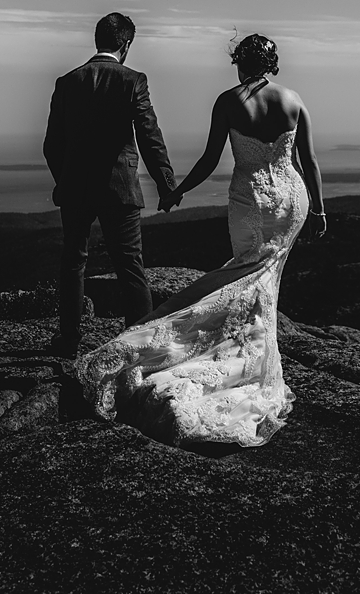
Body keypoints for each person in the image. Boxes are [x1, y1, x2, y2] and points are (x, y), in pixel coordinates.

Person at [76, 34, 325, 448]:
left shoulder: (228, 101)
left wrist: (176, 191)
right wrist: (318, 209)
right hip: (290, 203)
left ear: (238, 63)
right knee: (263, 280)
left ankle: (236, 351)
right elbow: (308, 161)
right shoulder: (293, 100)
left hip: (251, 203)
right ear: (272, 63)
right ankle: (255, 356)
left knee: (246, 272)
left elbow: (211, 159)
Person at [43, 13, 177, 359]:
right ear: (127, 44)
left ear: (97, 40)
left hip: (75, 189)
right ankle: (140, 345)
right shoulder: (133, 80)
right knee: (130, 266)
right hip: (120, 189)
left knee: (73, 262)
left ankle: (69, 340)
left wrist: (65, 180)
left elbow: (52, 144)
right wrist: (166, 184)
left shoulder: (67, 81)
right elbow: (149, 137)